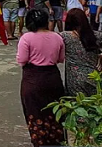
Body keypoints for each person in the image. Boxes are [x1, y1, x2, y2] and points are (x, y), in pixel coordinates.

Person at [16, 9, 66, 147]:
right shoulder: (57, 37)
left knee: (34, 111)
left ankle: (40, 141)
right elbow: (61, 59)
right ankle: (56, 139)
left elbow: (22, 60)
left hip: (33, 79)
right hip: (52, 77)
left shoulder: (26, 38)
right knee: (54, 110)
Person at [60, 9, 102, 96]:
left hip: (74, 78)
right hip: (93, 75)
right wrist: (101, 56)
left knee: (77, 105)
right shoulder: (97, 35)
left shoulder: (64, 36)